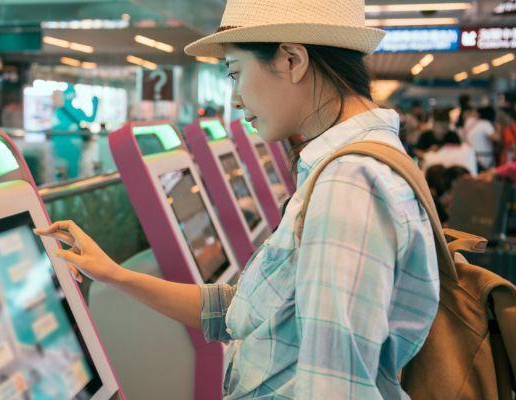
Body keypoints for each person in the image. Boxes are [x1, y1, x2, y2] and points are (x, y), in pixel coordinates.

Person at [36, 0, 439, 398]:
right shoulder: (348, 166)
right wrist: (113, 274)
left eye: (235, 73)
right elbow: (245, 311)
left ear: (292, 61)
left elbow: (335, 386)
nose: (235, 98)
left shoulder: (349, 185)